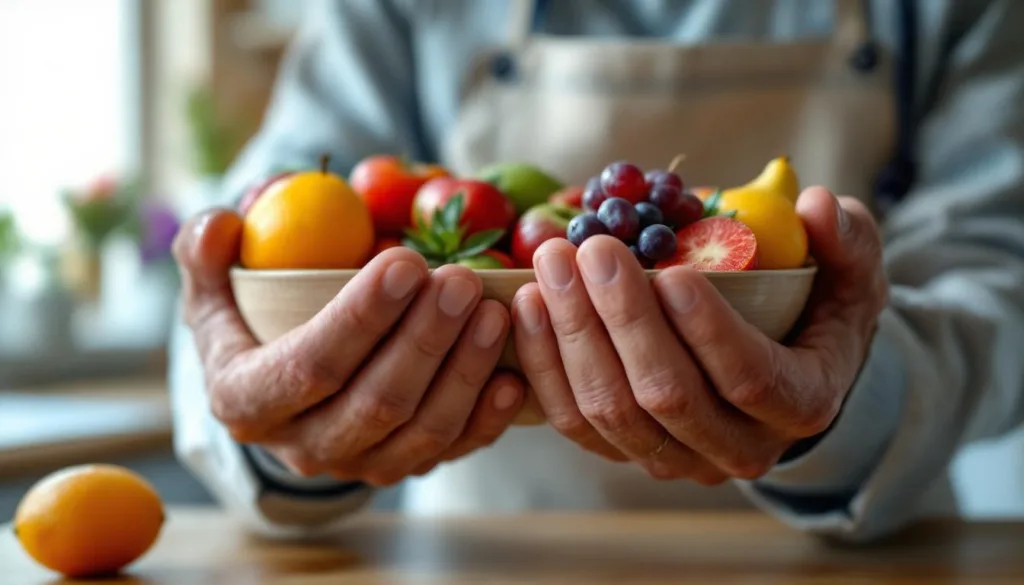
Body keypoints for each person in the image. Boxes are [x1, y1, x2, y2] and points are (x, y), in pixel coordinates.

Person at [169, 0, 1024, 543]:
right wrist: (285, 421)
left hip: (863, 560)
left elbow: (999, 275)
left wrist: (840, 402)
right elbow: (263, 241)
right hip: (494, 559)